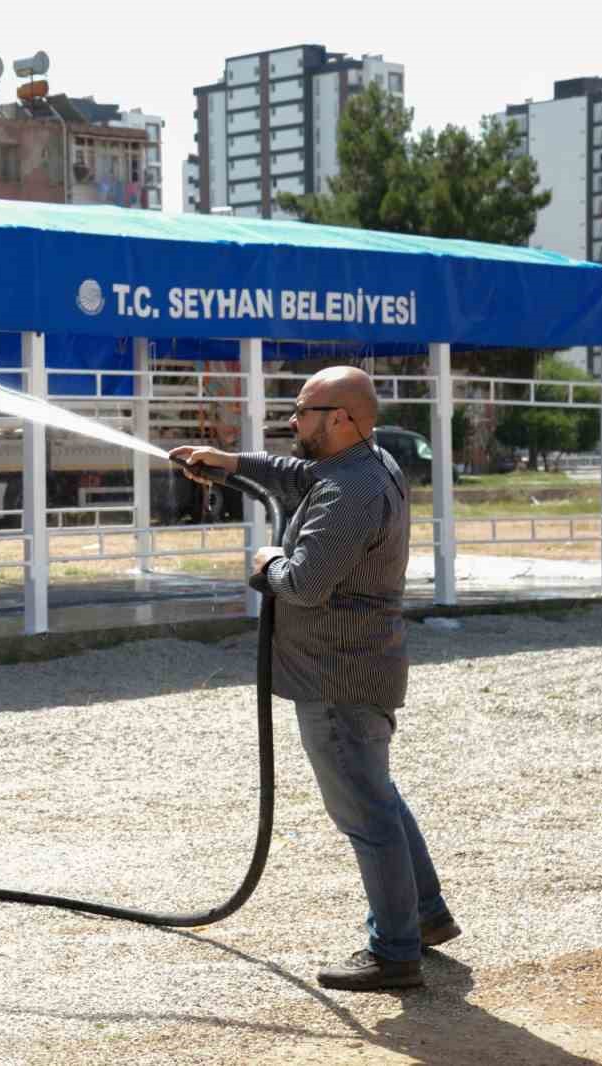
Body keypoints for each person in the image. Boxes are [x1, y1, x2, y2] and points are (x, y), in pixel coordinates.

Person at [170, 365, 458, 993]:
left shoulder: (352, 492)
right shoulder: (362, 463)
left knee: (364, 809)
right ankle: (425, 916)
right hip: (357, 666)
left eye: (304, 412)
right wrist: (228, 462)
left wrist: (268, 562)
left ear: (343, 419)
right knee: (375, 793)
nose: (293, 422)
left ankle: (395, 951)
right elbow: (298, 474)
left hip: (337, 675)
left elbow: (303, 583)